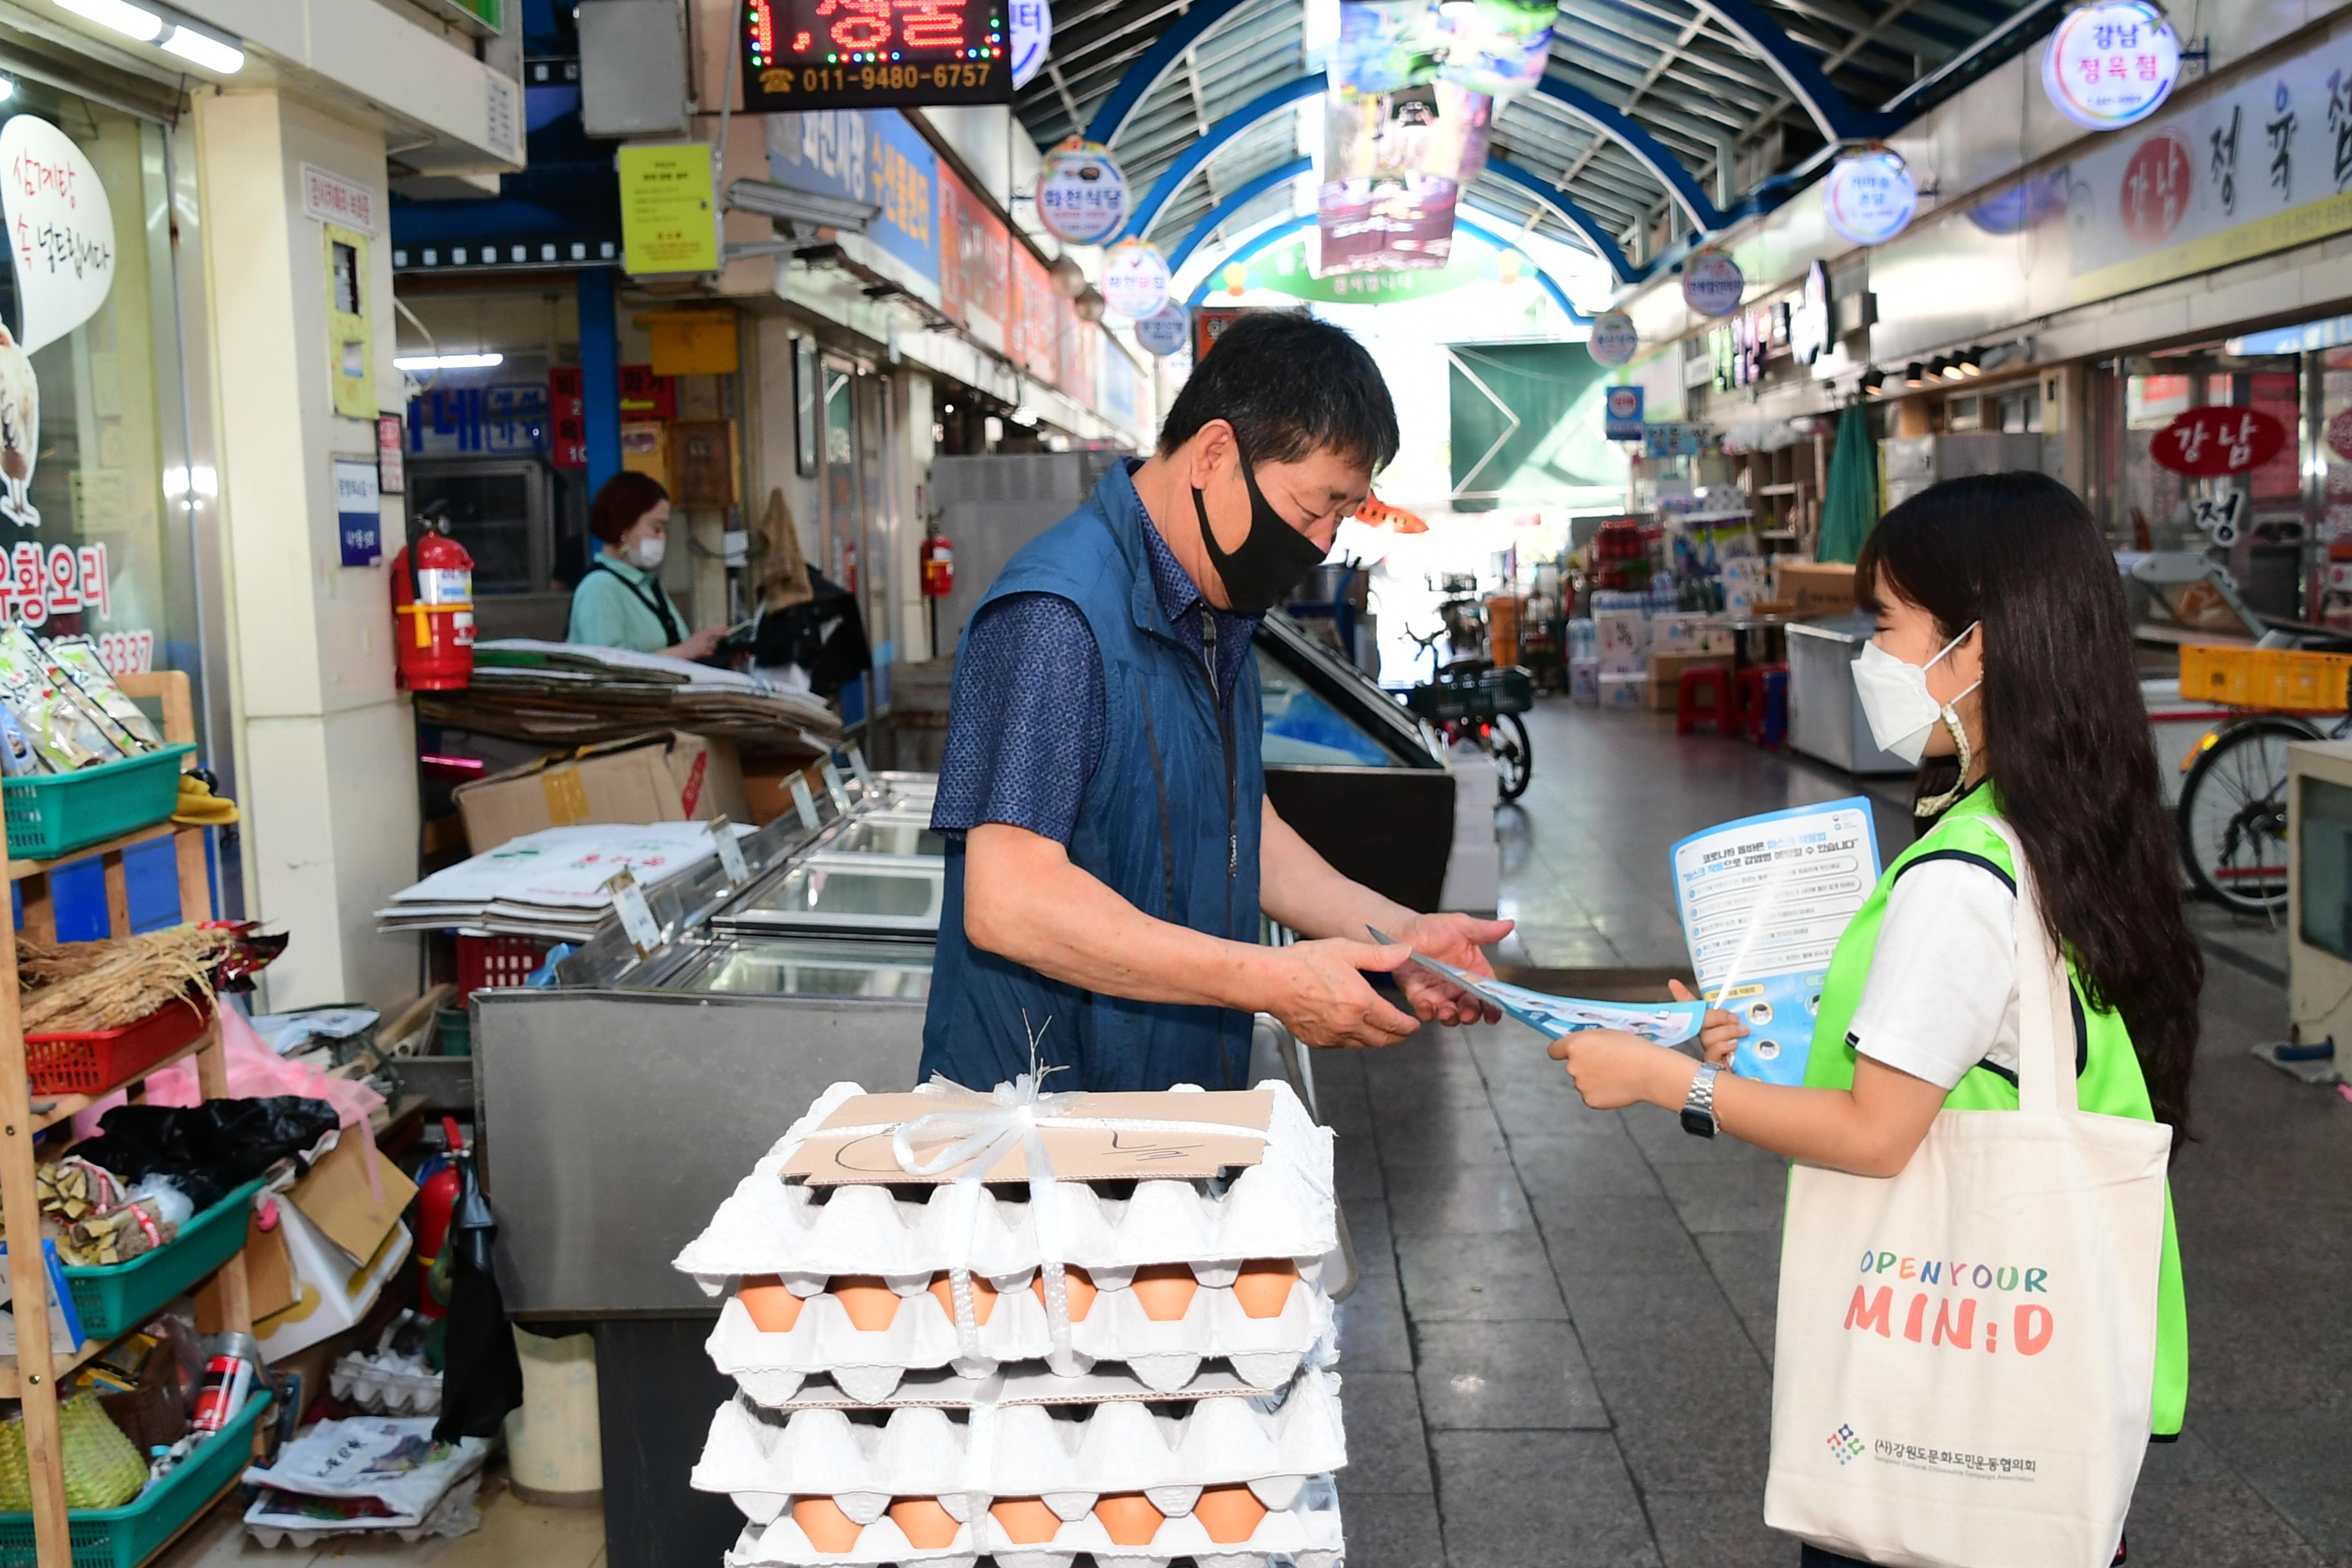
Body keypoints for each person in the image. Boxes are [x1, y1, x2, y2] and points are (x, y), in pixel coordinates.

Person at [1552, 473, 2196, 1567]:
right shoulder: (2067, 831)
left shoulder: (1959, 876)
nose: (1871, 657)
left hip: (1945, 1432)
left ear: (1975, 649)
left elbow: (1877, 1130)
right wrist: (1743, 1049)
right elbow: (1966, 1060)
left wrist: (1670, 1084)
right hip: (2049, 1370)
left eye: (1886, 625)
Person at [923, 312, 1510, 1093]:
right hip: (1049, 1127)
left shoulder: (1212, 607)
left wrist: (1400, 936)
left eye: (1342, 515)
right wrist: (1272, 980)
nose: (1324, 543)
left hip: (1163, 1108)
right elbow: (1009, 899)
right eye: (1312, 509)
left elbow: (1239, 825)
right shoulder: (1057, 617)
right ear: (1214, 453)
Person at [565, 471, 723, 660]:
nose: (662, 539)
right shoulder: (599, 588)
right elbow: (610, 670)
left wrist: (712, 653)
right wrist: (686, 651)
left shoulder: (647, 585)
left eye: (665, 530)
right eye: (656, 529)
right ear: (623, 525)